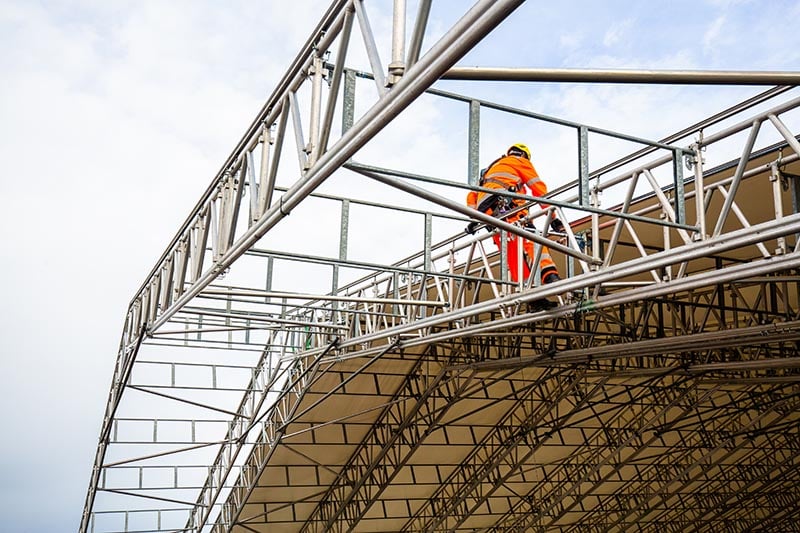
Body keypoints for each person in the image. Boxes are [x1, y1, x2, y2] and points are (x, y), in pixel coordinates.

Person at [466, 143, 563, 286]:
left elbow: (471, 197)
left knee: (512, 254)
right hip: (508, 208)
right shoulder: (519, 161)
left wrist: (475, 219)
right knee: (531, 239)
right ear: (523, 155)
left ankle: (530, 296)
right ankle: (549, 275)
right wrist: (554, 218)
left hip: (489, 217)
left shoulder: (488, 172)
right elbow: (539, 191)